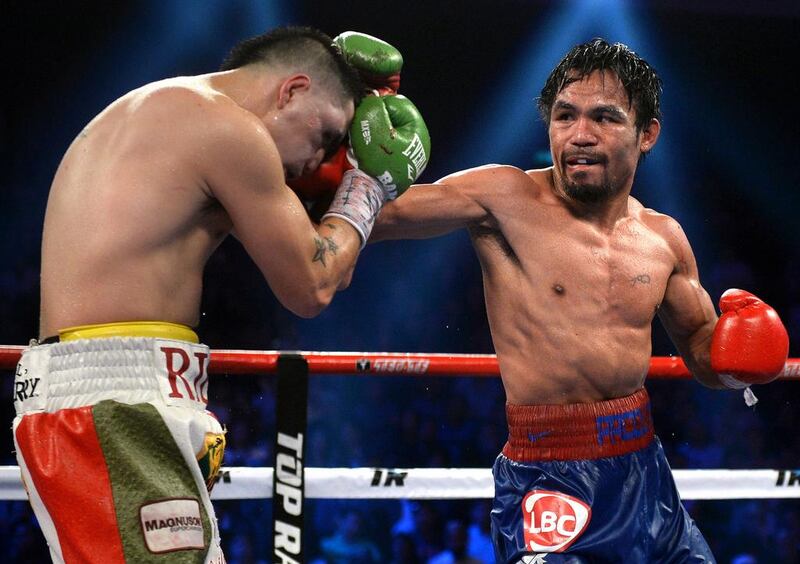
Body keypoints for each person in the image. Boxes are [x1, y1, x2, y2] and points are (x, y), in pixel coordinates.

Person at [11, 26, 429, 563]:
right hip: (116, 402)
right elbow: (313, 284)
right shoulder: (227, 130)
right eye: (326, 136)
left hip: (114, 394)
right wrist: (367, 186)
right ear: (292, 90)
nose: (317, 159)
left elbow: (318, 250)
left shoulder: (173, 114)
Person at [371, 38, 789, 562]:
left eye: (605, 118)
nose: (580, 135)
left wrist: (740, 359)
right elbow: (380, 217)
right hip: (547, 473)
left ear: (648, 135)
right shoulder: (503, 197)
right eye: (565, 116)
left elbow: (704, 354)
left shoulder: (663, 237)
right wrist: (336, 154)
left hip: (643, 472)